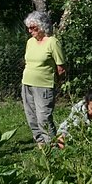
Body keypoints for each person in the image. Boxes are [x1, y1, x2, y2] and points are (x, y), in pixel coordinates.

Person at [21, 11, 66, 146]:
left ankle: (51, 144)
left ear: (42, 27)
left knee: (43, 118)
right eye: (28, 28)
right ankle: (40, 143)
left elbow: (61, 68)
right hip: (27, 83)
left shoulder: (52, 42)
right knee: (31, 116)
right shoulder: (30, 42)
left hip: (44, 86)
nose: (30, 31)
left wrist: (56, 83)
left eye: (33, 28)